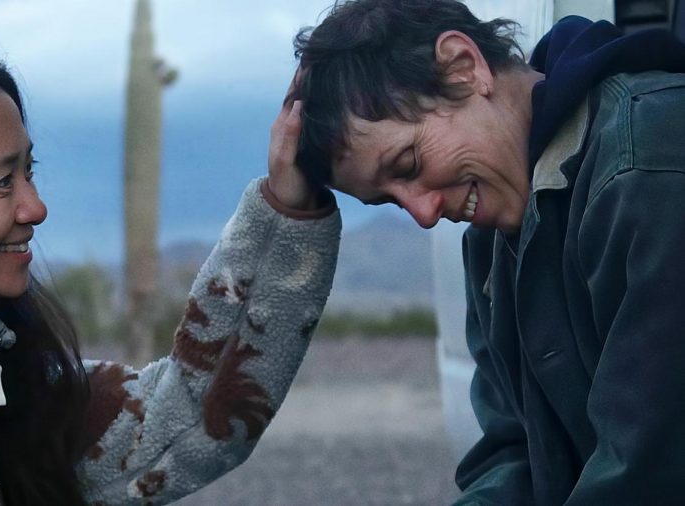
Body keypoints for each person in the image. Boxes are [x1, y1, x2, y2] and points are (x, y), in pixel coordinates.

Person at [0, 38, 340, 505]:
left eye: (30, 171)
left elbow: (188, 419)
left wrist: (289, 207)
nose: (36, 208)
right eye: (3, 181)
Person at [286, 0, 685, 503]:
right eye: (388, 199)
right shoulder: (492, 241)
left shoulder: (648, 170)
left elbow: (649, 475)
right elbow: (511, 454)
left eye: (408, 163)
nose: (424, 214)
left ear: (463, 67)